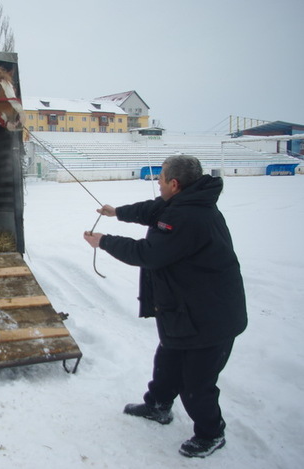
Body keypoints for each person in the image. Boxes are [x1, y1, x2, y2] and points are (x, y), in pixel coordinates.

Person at [83, 155, 247, 458]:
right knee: (168, 358)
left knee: (196, 382)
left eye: (160, 179)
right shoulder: (183, 202)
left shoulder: (188, 216)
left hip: (210, 315)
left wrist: (104, 242)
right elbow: (152, 210)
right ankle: (158, 405)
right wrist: (117, 212)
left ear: (175, 183)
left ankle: (211, 433)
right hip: (188, 308)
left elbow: (148, 254)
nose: (157, 184)